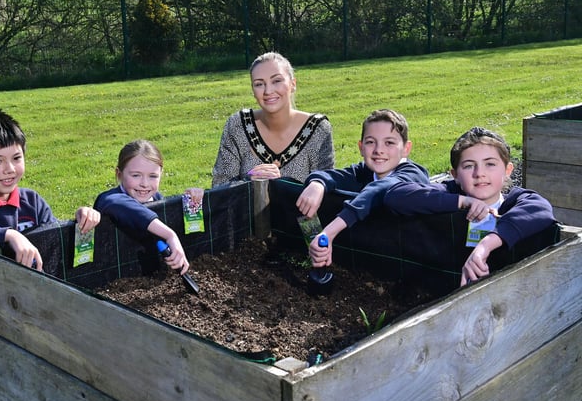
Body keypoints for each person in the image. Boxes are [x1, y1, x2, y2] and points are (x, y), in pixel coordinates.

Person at [0, 107, 101, 401]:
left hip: (26, 301)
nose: (9, 169)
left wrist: (78, 220)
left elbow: (52, 248)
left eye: (16, 158)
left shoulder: (32, 202)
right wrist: (5, 233)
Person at [383, 126, 557, 287]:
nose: (479, 173)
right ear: (455, 175)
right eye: (468, 166)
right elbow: (396, 195)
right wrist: (463, 202)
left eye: (490, 164)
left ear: (507, 170)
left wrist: (485, 246)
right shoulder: (449, 192)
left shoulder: (516, 200)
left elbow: (541, 208)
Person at [297, 108, 429, 267]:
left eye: (389, 143)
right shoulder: (364, 171)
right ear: (361, 147)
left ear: (406, 149)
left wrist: (329, 232)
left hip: (415, 261)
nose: (379, 150)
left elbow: (378, 190)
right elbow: (334, 175)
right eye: (370, 142)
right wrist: (317, 184)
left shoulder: (413, 174)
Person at [212, 52, 334, 187]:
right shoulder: (237, 125)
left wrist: (283, 184)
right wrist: (249, 182)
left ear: (293, 84)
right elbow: (219, 188)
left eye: (277, 81)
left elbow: (325, 190)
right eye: (259, 84)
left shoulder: (317, 129)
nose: (268, 91)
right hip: (246, 209)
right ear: (253, 90)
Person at [94, 139, 198, 275]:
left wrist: (194, 198)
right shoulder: (109, 199)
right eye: (136, 175)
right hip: (111, 273)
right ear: (119, 174)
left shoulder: (157, 199)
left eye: (153, 176)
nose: (144, 183)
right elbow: (126, 207)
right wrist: (170, 235)